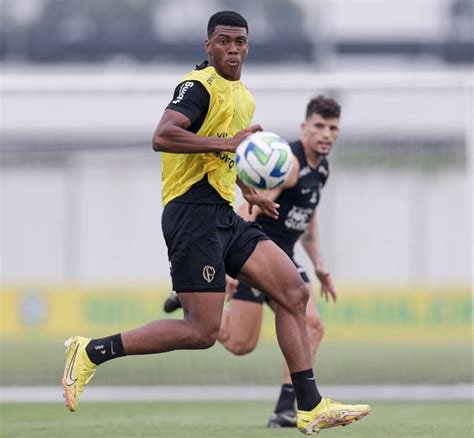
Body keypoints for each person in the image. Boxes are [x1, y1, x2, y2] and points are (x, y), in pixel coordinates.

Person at [61, 11, 370, 434]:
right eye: (223, 41)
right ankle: (92, 351)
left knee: (294, 293)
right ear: (208, 45)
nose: (232, 49)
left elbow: (227, 155)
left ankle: (309, 406)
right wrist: (228, 142)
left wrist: (248, 190)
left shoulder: (243, 97)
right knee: (202, 332)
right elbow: (163, 136)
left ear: (247, 46)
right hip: (190, 213)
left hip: (223, 212)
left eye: (239, 41)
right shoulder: (198, 86)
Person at [164, 95, 341, 428]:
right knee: (239, 342)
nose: (326, 134)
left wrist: (319, 263)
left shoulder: (322, 169)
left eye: (332, 128)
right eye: (319, 126)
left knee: (313, 325)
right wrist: (226, 259)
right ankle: (199, 297)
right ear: (305, 127)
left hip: (283, 259)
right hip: (256, 256)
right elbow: (249, 209)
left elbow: (307, 215)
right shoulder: (285, 165)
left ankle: (287, 409)